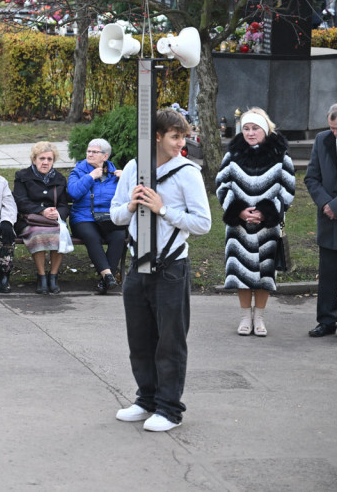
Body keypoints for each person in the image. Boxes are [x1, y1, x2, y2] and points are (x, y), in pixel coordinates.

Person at [111, 108, 211, 432]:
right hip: (137, 264)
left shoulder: (187, 172)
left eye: (183, 137)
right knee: (139, 340)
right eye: (175, 136)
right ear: (157, 136)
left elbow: (203, 223)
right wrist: (130, 206)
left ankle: (169, 409)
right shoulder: (133, 168)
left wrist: (163, 209)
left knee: (170, 342)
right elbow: (114, 215)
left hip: (171, 267)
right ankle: (146, 400)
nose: (181, 143)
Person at [215, 108, 295, 336]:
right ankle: (244, 317)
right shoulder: (232, 155)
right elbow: (222, 185)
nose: (250, 133)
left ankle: (259, 318)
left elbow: (288, 189)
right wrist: (238, 211)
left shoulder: (281, 155)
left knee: (265, 273)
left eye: (255, 128)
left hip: (267, 226)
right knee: (240, 271)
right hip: (238, 226)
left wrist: (266, 213)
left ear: (266, 130)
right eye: (246, 128)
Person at [304, 103, 337, 342]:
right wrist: (326, 204)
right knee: (326, 276)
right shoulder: (322, 139)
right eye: (332, 128)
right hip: (328, 220)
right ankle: (325, 321)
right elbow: (311, 177)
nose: (335, 133)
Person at [68, 138, 128, 294]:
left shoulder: (115, 174)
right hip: (83, 218)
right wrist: (90, 177)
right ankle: (108, 276)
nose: (90, 154)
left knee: (119, 235)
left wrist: (126, 180)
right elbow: (73, 193)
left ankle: (105, 280)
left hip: (108, 218)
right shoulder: (78, 171)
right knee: (91, 236)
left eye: (94, 152)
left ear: (105, 156)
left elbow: (132, 197)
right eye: (88, 151)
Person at [14, 142, 70, 294]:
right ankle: (41, 276)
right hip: (30, 219)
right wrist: (42, 211)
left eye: (49, 159)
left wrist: (58, 213)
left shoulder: (59, 178)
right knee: (38, 234)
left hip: (53, 220)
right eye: (42, 158)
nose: (45, 162)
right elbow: (21, 201)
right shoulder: (22, 176)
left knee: (60, 233)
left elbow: (64, 205)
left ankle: (53, 276)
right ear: (34, 159)